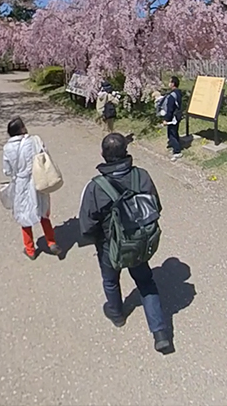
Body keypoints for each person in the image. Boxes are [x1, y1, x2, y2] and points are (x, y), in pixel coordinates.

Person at [79, 132, 173, 354]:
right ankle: (160, 332)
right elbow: (156, 207)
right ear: (126, 152)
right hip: (138, 241)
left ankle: (117, 313)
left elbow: (86, 224)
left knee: (110, 280)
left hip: (109, 245)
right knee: (146, 281)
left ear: (103, 155)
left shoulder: (96, 186)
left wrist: (97, 240)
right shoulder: (142, 176)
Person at [2, 117, 60, 260]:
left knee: (24, 217)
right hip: (38, 180)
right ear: (21, 129)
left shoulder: (7, 148)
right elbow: (44, 154)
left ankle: (30, 249)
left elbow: (7, 171)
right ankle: (51, 242)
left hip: (20, 184)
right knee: (43, 213)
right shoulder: (34, 140)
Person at [161, 76, 183, 161]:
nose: (168, 83)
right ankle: (177, 146)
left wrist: (166, 120)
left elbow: (170, 109)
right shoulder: (178, 93)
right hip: (178, 116)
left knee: (172, 134)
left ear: (173, 84)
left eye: (170, 82)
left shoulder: (172, 96)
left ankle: (177, 151)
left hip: (173, 118)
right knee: (175, 132)